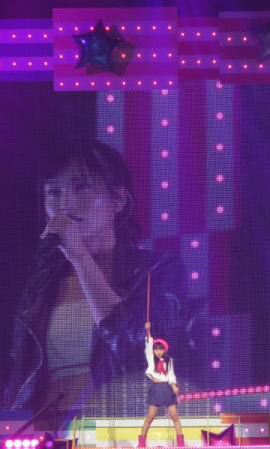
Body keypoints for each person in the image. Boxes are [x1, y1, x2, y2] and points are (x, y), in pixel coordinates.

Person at [3, 140, 182, 412]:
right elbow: (16, 371)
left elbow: (138, 349)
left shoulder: (154, 270)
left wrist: (80, 257)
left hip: (115, 422)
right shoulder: (38, 282)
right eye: (54, 192)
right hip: (41, 426)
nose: (66, 203)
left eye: (81, 187)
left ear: (118, 201)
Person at [139, 321, 183, 448]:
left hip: (167, 389)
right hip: (157, 389)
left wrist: (174, 385)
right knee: (150, 417)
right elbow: (148, 343)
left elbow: (171, 375)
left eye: (160, 349)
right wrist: (147, 330)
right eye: (156, 349)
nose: (158, 351)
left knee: (175, 416)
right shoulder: (150, 358)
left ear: (164, 350)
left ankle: (181, 444)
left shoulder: (169, 361)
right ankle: (141, 443)